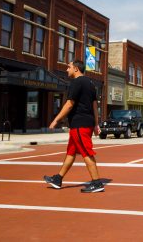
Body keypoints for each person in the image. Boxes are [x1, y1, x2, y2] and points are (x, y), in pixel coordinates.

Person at [43, 60, 104, 193]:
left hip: (80, 124)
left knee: (87, 152)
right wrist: (96, 123)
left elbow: (69, 104)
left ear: (76, 69)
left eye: (68, 67)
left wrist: (56, 120)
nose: (67, 69)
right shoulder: (91, 83)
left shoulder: (76, 82)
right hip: (85, 123)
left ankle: (97, 183)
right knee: (71, 152)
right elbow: (95, 105)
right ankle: (58, 179)